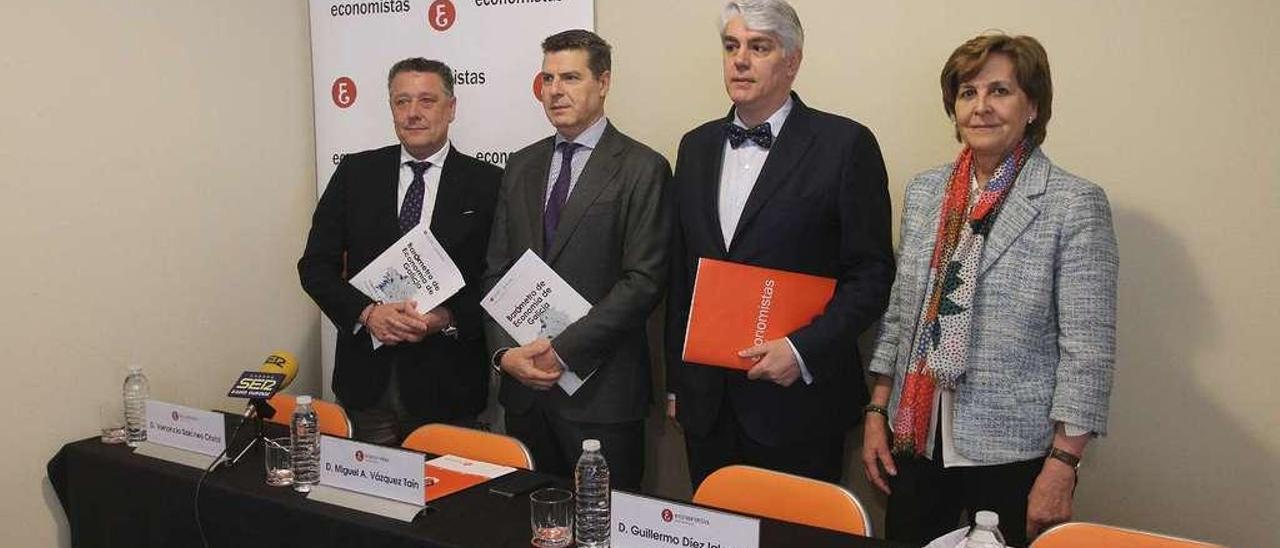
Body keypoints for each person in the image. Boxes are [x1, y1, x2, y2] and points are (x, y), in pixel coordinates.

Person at [860, 33, 1118, 547]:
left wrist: (1063, 464)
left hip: (1014, 453)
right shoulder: (925, 192)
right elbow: (901, 315)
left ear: (1032, 106)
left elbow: (1088, 352)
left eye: (999, 91)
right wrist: (876, 411)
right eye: (967, 93)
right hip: (916, 439)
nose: (981, 107)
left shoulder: (1072, 203)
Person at [665, 0, 895, 487]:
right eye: (731, 46)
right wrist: (677, 382)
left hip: (799, 404)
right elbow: (683, 273)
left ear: (792, 60)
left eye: (758, 47)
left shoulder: (845, 144)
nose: (740, 60)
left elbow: (872, 276)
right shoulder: (695, 145)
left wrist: (802, 350)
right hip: (707, 404)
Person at [483, 30, 671, 490]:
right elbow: (496, 271)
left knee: (602, 528)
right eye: (548, 78)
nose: (555, 90)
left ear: (603, 83)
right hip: (525, 392)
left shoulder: (642, 167)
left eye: (570, 77)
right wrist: (505, 354)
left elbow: (643, 281)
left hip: (603, 398)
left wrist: (562, 351)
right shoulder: (521, 165)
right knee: (526, 525)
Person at [298, 58, 502, 445]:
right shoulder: (356, 174)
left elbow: (499, 281)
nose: (413, 113)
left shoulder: (490, 184)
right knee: (362, 503)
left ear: (451, 107)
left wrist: (447, 317)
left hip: (449, 386)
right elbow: (314, 267)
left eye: (427, 100)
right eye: (401, 101)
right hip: (365, 384)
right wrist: (367, 313)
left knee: (450, 504)